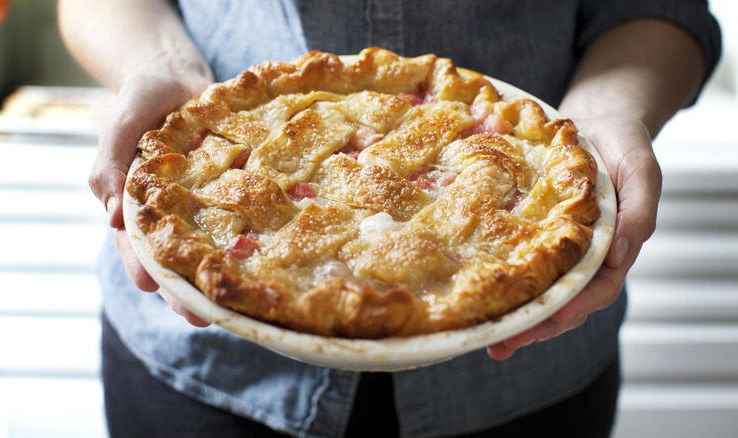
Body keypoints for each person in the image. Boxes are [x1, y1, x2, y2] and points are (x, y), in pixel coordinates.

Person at [58, 1, 721, 437]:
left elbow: (657, 7)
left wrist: (608, 115)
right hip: (203, 375)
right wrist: (160, 68)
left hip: (527, 383)